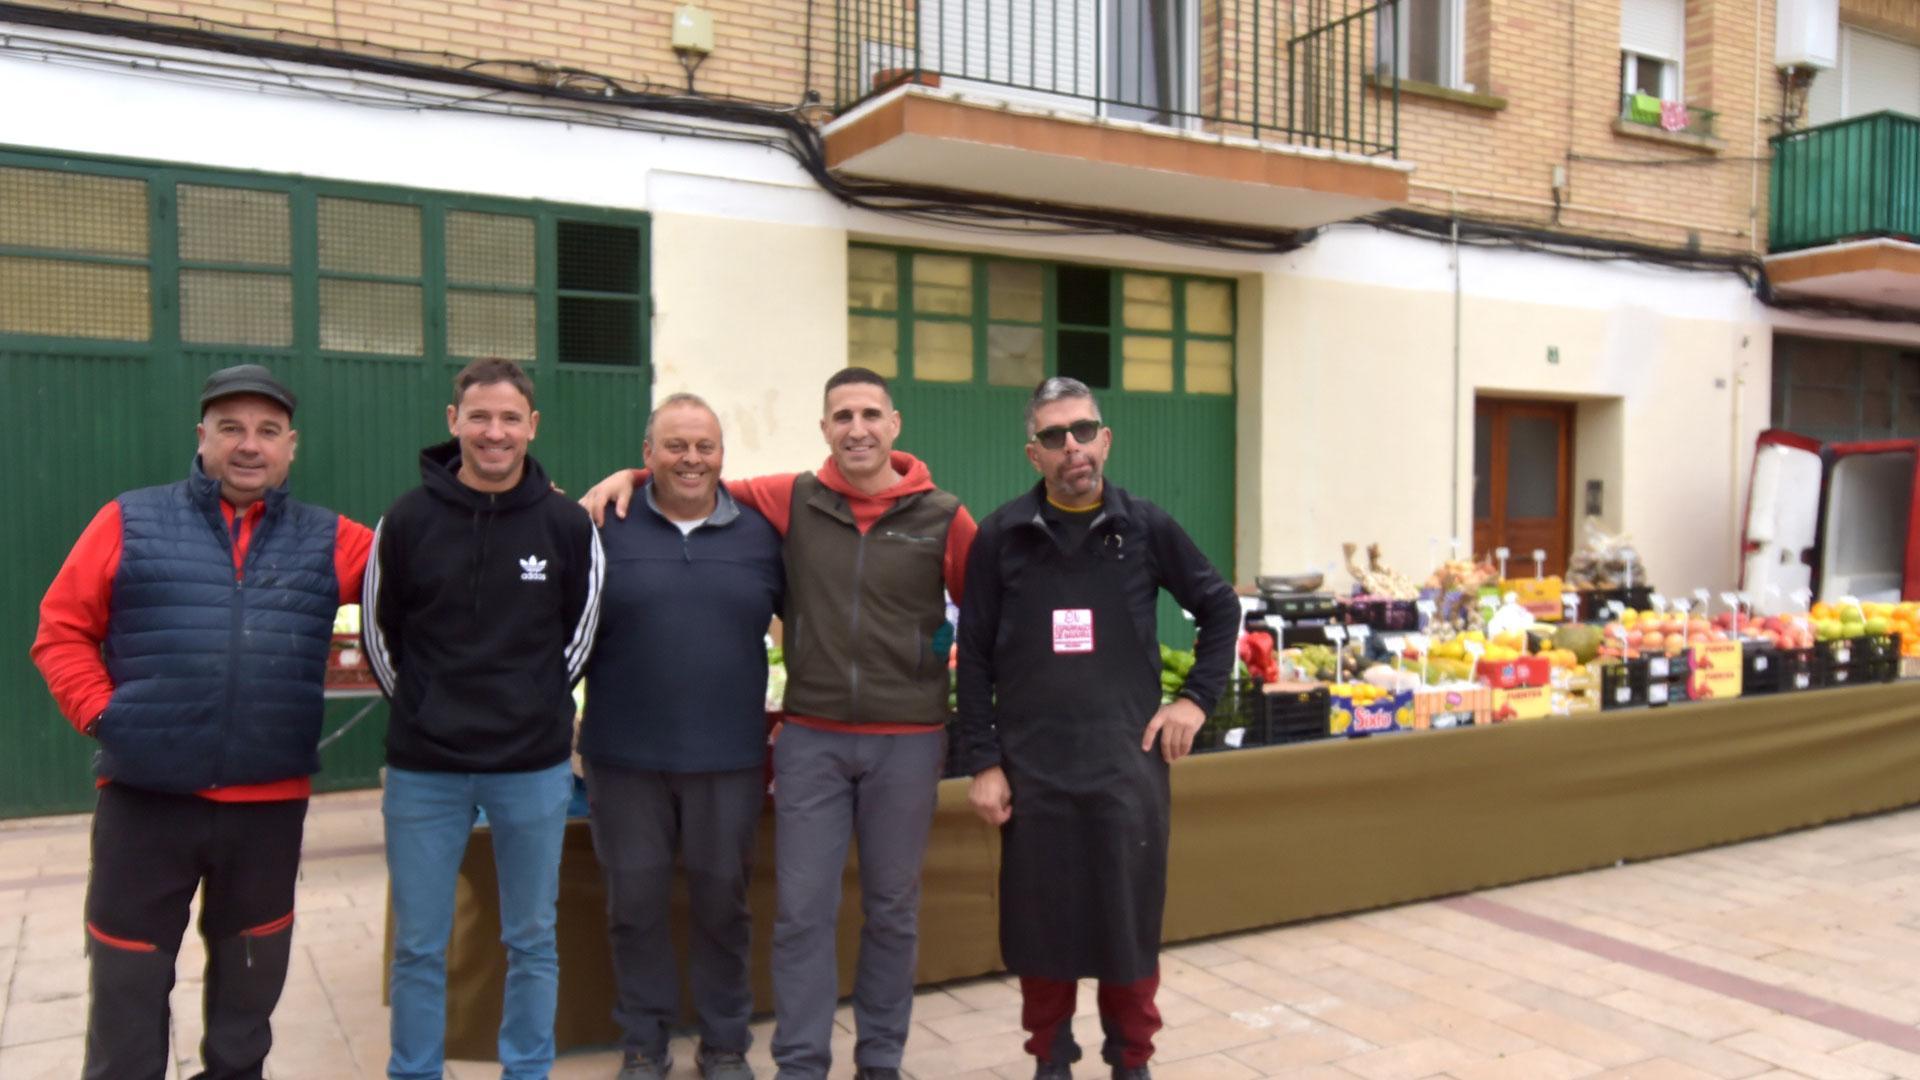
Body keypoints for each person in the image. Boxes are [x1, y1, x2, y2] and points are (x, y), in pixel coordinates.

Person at [580, 367, 976, 1080]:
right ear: (823, 428)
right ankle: (798, 1063)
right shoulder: (789, 499)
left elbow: (992, 612)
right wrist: (628, 476)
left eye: (870, 414)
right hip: (810, 740)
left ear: (894, 424)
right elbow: (686, 482)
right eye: (841, 416)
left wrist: (979, 722)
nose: (857, 428)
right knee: (799, 916)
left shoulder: (942, 516)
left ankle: (876, 1059)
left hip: (906, 741)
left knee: (890, 912)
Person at [31, 364, 374, 1080]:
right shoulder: (128, 519)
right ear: (203, 437)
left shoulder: (332, 540)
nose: (249, 446)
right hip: (146, 804)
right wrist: (103, 714)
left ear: (291, 448)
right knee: (127, 996)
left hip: (266, 811)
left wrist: (576, 499)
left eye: (267, 432)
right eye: (231, 429)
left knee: (247, 1010)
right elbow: (61, 630)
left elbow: (437, 559)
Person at [953, 377, 1240, 1080]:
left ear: (1105, 439)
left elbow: (1221, 608)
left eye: (1083, 431)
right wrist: (983, 761)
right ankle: (1050, 1055)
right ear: (1033, 454)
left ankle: (1130, 1058)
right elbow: (975, 658)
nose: (1071, 447)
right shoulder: (1001, 537)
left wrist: (1195, 701)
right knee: (1040, 923)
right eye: (1054, 436)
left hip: (1125, 770)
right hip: (1034, 770)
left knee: (1127, 925)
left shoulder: (1144, 527)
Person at [362, 358, 605, 1080]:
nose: (493, 432)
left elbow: (582, 633)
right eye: (479, 416)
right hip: (424, 771)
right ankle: (415, 1071)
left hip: (530, 769)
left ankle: (526, 1070)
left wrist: (532, 709)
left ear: (531, 426)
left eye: (508, 418)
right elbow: (380, 632)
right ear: (453, 422)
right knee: (419, 944)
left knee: (531, 938)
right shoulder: (405, 520)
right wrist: (424, 707)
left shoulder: (565, 524)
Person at [578, 393, 784, 1080]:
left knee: (723, 907)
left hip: (727, 759)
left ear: (723, 455)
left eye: (704, 446)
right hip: (623, 758)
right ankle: (644, 1043)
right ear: (647, 456)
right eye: (675, 445)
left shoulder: (761, 536)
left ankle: (725, 1044)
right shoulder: (606, 527)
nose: (690, 459)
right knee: (633, 907)